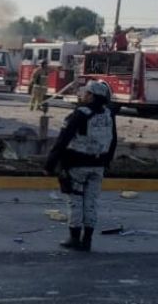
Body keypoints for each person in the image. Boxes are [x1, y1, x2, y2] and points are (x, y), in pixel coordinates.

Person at [44, 80, 117, 252]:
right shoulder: (109, 114)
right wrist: (107, 162)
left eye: (86, 93)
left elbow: (63, 140)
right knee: (91, 202)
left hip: (77, 165)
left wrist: (50, 164)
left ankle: (74, 238)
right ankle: (88, 240)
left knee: (75, 201)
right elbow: (113, 140)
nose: (83, 95)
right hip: (98, 165)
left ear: (92, 96)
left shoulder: (80, 114)